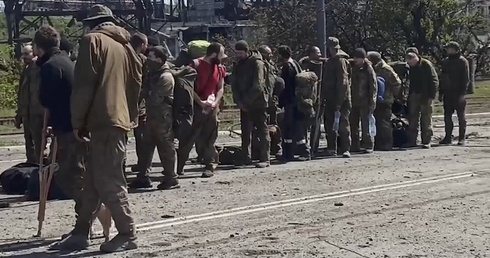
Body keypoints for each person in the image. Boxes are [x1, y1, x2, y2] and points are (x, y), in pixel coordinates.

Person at [52, 4, 143, 252]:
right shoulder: (126, 46)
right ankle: (81, 232)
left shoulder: (92, 41)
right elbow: (136, 82)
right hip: (118, 119)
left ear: (91, 23)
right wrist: (130, 114)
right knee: (92, 182)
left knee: (109, 181)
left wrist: (77, 122)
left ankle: (127, 232)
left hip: (102, 120)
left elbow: (83, 86)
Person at [33, 27, 85, 226]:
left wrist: (50, 125)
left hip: (66, 128)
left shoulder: (50, 66)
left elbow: (48, 99)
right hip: (74, 125)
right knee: (74, 173)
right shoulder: (66, 61)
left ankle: (90, 213)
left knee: (68, 176)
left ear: (38, 47)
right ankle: (86, 216)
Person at [132, 45, 179, 190]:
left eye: (151, 57)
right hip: (152, 117)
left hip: (163, 119)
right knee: (146, 147)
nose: (148, 60)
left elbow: (155, 98)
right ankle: (143, 177)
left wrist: (145, 93)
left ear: (159, 59)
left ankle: (171, 178)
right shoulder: (153, 74)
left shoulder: (165, 77)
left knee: (166, 147)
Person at [177, 43, 226, 178]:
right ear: (214, 54)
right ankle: (179, 166)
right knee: (188, 137)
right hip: (195, 107)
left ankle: (210, 165)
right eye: (221, 55)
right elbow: (187, 87)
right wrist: (200, 102)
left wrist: (215, 102)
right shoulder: (195, 65)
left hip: (212, 108)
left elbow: (220, 87)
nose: (222, 58)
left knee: (210, 138)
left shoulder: (220, 68)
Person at [231, 40, 271, 168]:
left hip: (258, 102)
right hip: (244, 103)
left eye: (240, 53)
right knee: (245, 131)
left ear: (247, 52)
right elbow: (234, 84)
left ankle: (265, 158)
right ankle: (245, 157)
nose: (238, 55)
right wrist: (239, 101)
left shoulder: (257, 63)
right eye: (236, 53)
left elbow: (258, 85)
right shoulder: (238, 64)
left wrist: (247, 101)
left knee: (262, 130)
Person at [277, 45, 310, 162]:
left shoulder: (287, 66)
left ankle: (302, 152)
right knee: (294, 127)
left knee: (291, 127)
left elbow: (286, 86)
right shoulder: (295, 63)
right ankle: (289, 153)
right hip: (296, 100)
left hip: (290, 102)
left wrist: (281, 102)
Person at [15, 44, 46, 164]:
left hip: (38, 113)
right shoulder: (26, 71)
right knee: (29, 143)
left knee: (39, 145)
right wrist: (19, 114)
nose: (24, 57)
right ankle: (31, 166)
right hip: (27, 113)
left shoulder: (39, 69)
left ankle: (40, 168)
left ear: (34, 53)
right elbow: (22, 94)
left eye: (26, 54)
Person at [367, 51, 402, 151]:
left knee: (385, 123)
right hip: (376, 99)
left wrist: (391, 94)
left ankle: (387, 144)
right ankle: (378, 143)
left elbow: (397, 83)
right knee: (377, 122)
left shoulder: (385, 69)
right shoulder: (372, 68)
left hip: (385, 99)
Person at [323, 37, 352, 158]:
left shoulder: (340, 61)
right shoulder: (331, 60)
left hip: (341, 99)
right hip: (330, 97)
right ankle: (331, 148)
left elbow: (343, 82)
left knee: (342, 124)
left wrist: (339, 101)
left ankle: (345, 148)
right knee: (329, 124)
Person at [405, 47, 439, 149]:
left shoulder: (426, 65)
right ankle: (412, 141)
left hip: (426, 95)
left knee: (426, 119)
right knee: (413, 119)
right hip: (414, 94)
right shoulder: (409, 67)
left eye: (411, 58)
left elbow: (434, 81)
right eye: (408, 58)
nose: (410, 61)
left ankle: (426, 141)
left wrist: (431, 96)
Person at [439, 41, 469, 146]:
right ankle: (448, 137)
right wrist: (441, 92)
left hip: (458, 92)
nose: (448, 50)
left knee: (461, 116)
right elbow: (442, 78)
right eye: (447, 48)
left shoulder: (462, 61)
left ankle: (462, 138)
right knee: (447, 116)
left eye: (450, 48)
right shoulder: (445, 62)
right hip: (448, 93)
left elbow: (465, 78)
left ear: (456, 49)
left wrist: (463, 93)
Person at [299, 46, 326, 154]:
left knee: (316, 124)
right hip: (306, 99)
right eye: (317, 52)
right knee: (305, 123)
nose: (319, 55)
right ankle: (304, 147)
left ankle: (314, 147)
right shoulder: (304, 64)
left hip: (319, 98)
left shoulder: (323, 65)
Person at [349, 48, 377, 153]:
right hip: (354, 100)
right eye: (355, 57)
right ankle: (354, 145)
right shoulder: (352, 68)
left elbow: (373, 87)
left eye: (358, 58)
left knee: (366, 124)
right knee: (353, 124)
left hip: (365, 101)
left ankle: (368, 145)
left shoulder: (368, 69)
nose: (355, 59)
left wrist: (372, 102)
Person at [129, 33, 148, 174]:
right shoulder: (143, 60)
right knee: (142, 138)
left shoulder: (123, 57)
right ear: (142, 45)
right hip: (139, 105)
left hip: (124, 104)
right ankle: (144, 167)